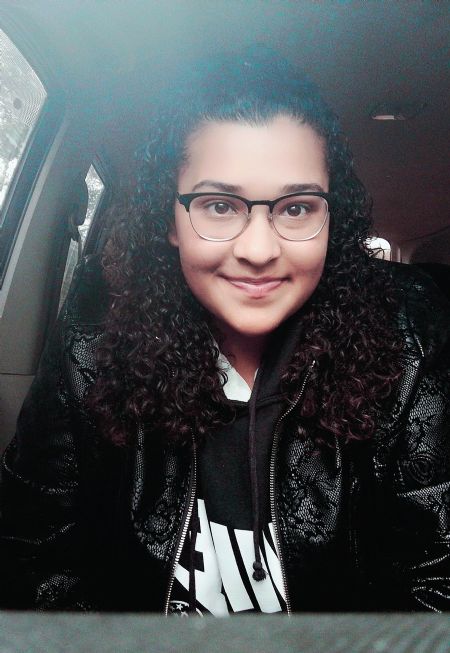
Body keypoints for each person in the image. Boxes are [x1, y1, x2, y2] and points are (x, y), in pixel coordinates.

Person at [0, 48, 449, 615]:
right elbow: (32, 558)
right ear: (170, 220)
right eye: (218, 206)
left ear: (330, 219)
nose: (258, 250)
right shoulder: (96, 333)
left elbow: (437, 581)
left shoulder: (408, 336)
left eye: (296, 209)